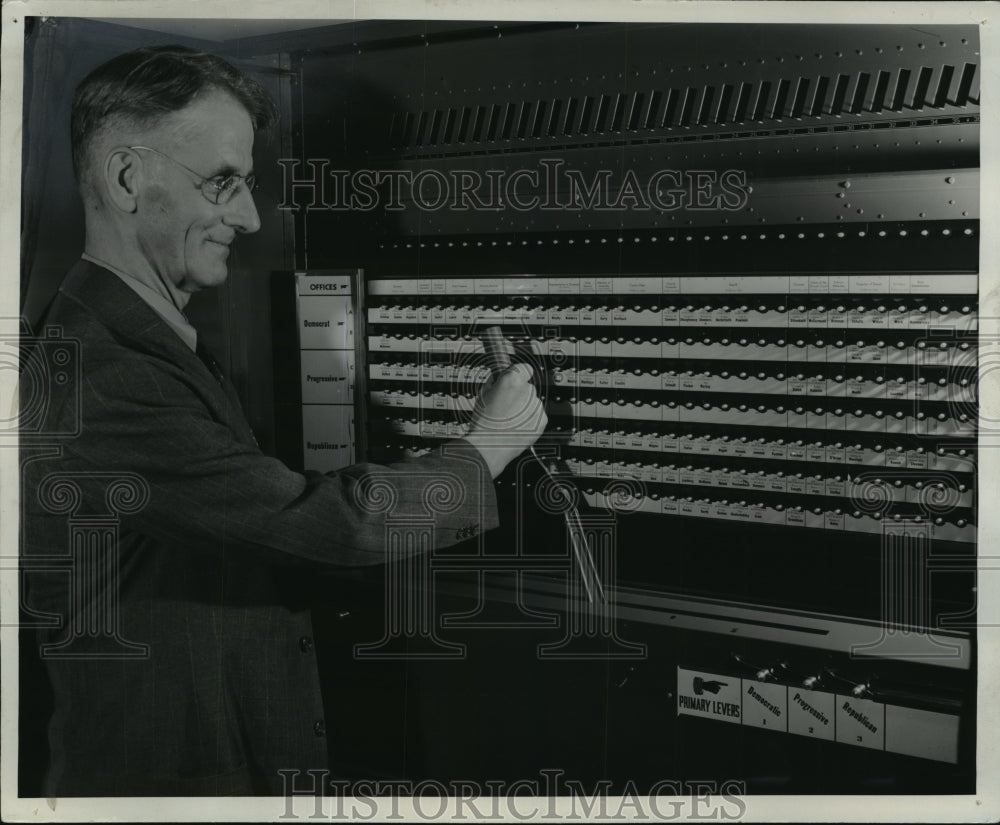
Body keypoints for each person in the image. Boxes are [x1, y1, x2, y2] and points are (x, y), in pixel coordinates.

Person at [21, 45, 546, 796]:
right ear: (128, 178)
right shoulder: (105, 371)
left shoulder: (134, 336)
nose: (248, 214)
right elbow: (319, 521)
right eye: (223, 182)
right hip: (172, 786)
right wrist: (486, 446)